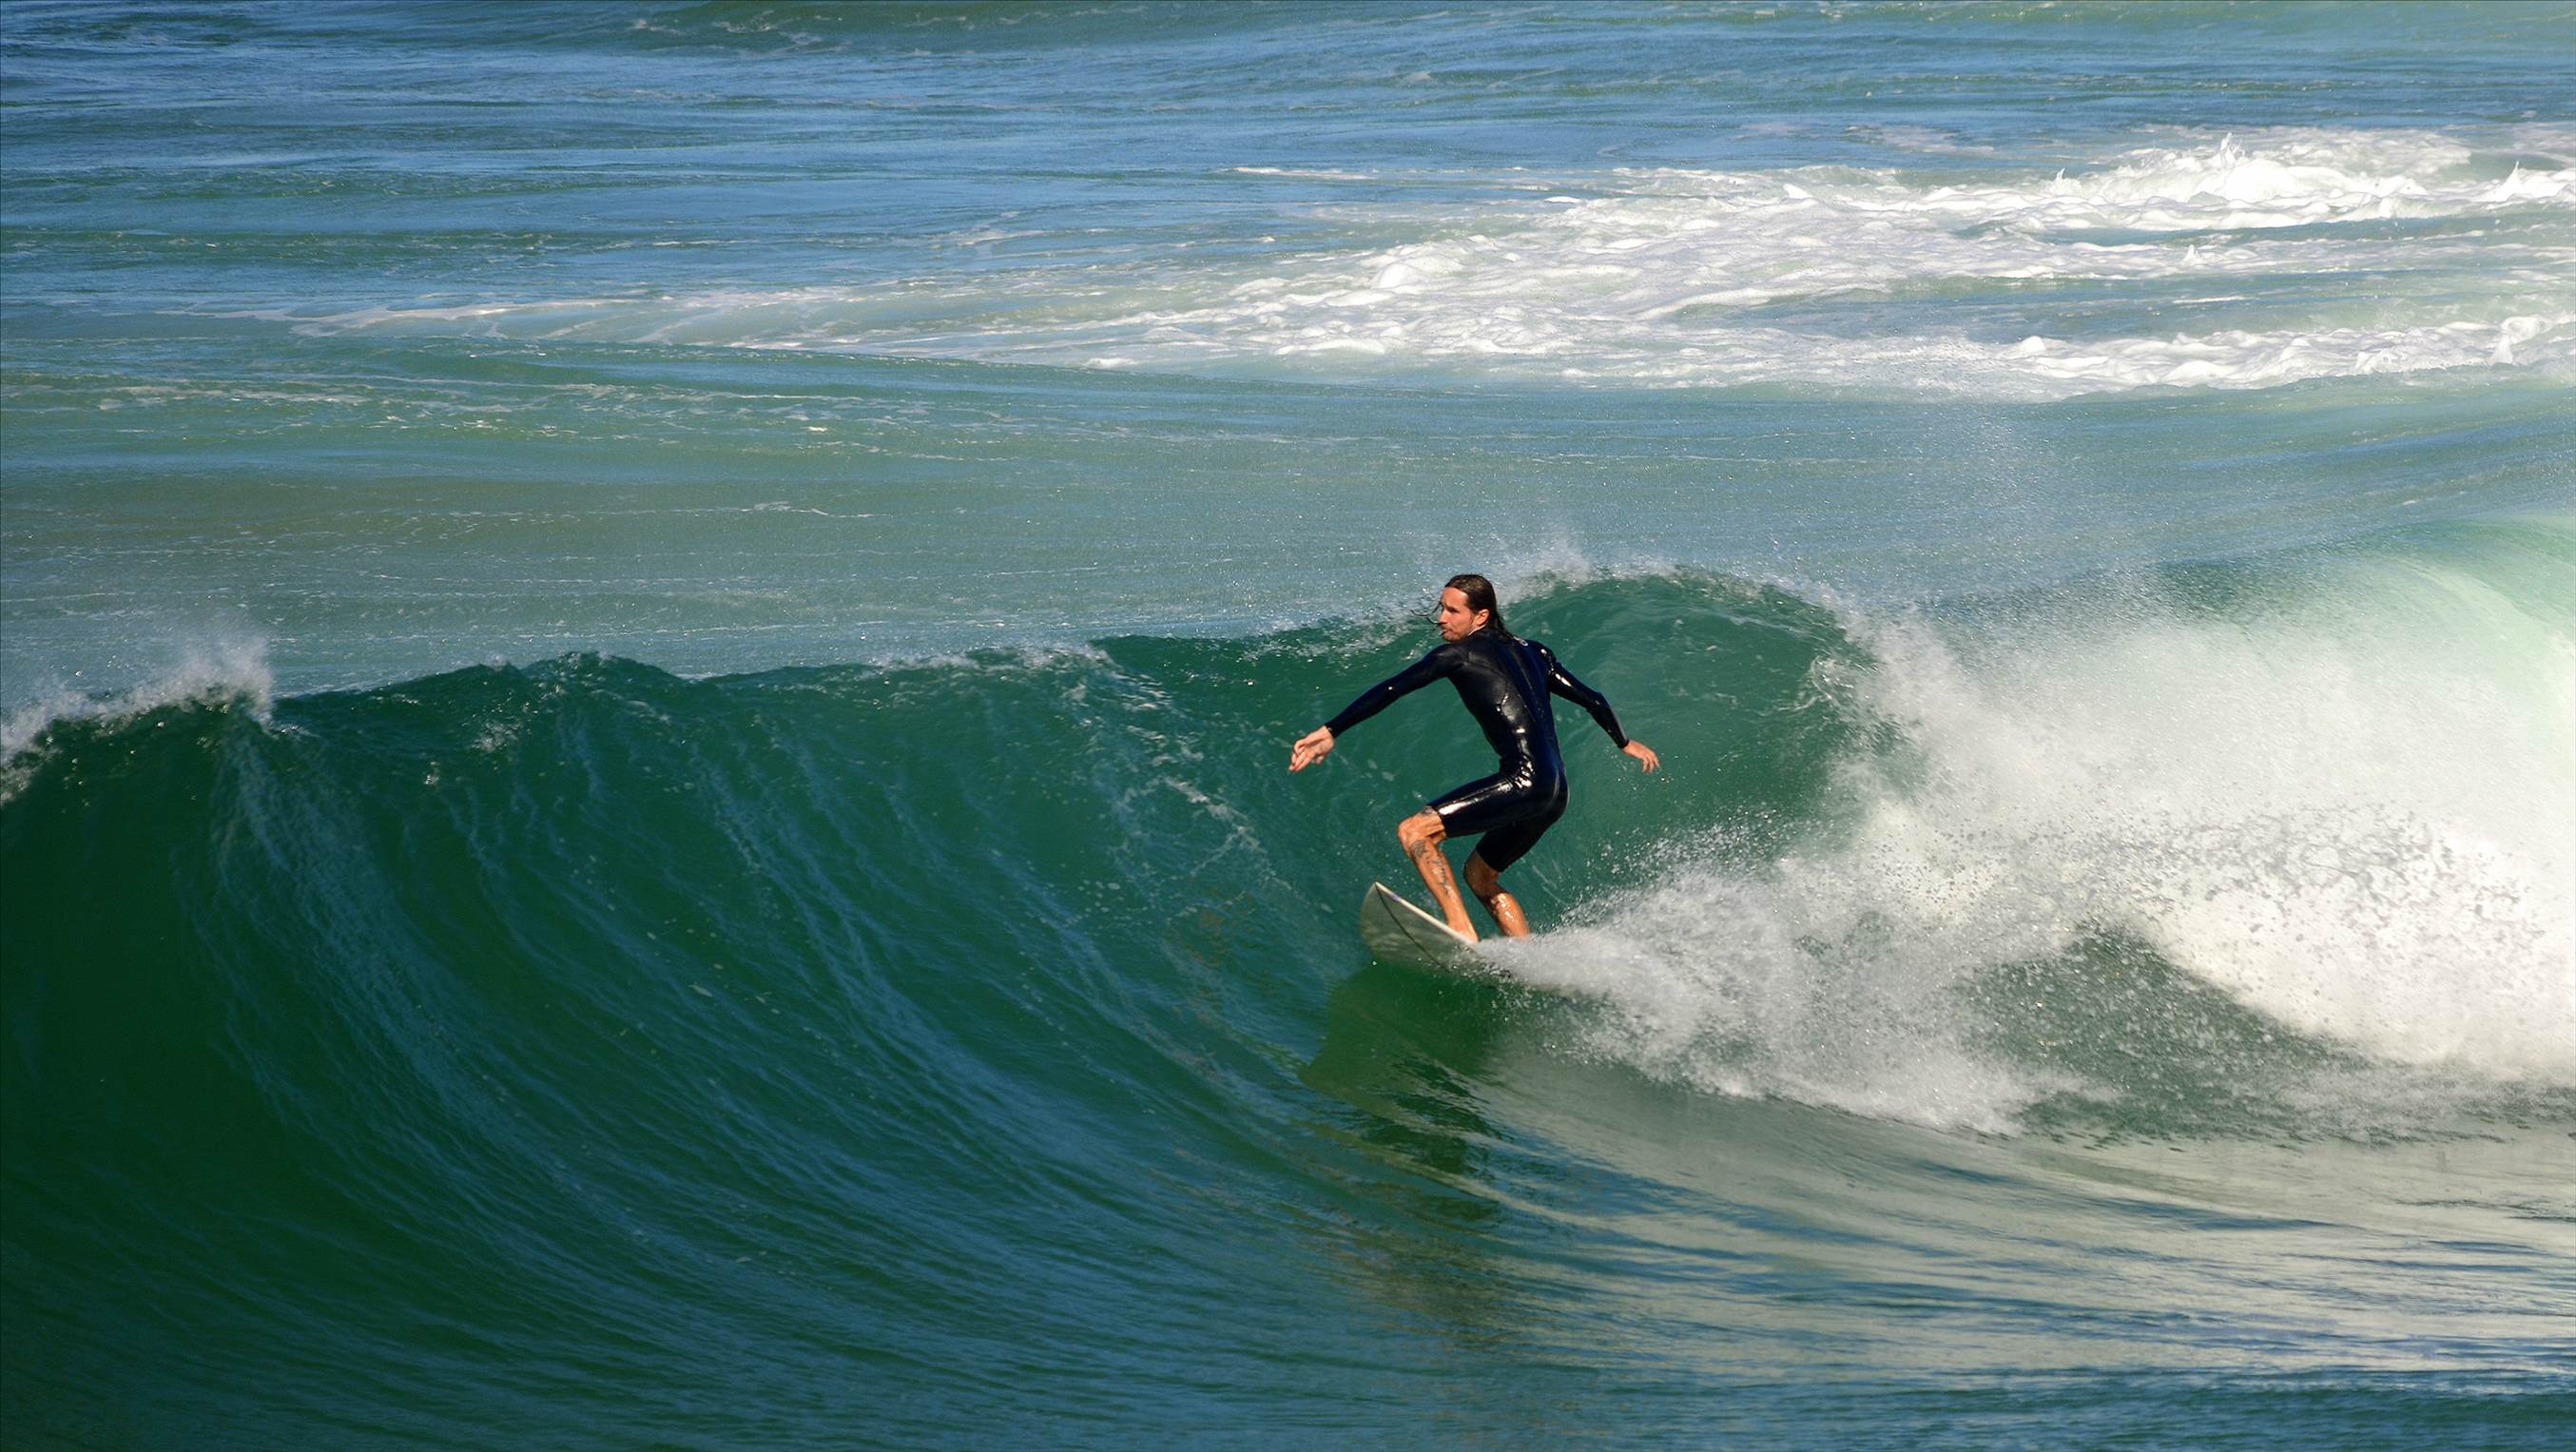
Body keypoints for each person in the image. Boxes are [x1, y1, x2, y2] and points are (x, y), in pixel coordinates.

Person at [1289, 574, 1657, 940]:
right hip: (1555, 791)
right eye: (1441, 608)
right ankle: (1525, 957)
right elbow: (1594, 699)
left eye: (1452, 611)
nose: (1442, 619)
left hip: (1523, 781)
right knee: (1480, 876)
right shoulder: (1536, 652)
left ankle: (1460, 928)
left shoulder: (1458, 654)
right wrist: (1624, 742)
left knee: (1414, 831)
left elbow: (1392, 688)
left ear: (1480, 617)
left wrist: (1331, 731)